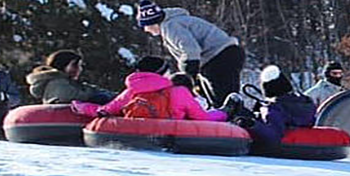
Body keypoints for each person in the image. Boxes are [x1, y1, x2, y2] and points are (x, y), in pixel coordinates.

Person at [136, 0, 245, 105]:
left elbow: (191, 50)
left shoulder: (171, 26)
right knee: (222, 100)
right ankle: (237, 118)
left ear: (153, 23)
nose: (146, 30)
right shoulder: (175, 23)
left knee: (224, 101)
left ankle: (240, 120)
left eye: (146, 26)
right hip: (223, 56)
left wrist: (187, 75)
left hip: (219, 58)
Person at [72, 56, 231, 122]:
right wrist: (224, 113)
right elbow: (202, 118)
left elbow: (104, 111)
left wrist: (82, 107)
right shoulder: (179, 91)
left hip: (135, 133)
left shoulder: (132, 91)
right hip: (175, 136)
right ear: (162, 73)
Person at [244, 65, 317, 154]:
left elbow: (273, 134)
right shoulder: (305, 103)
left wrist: (252, 125)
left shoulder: (274, 108)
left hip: (277, 147)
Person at [26, 50, 115, 105]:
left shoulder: (68, 83)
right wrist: (94, 94)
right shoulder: (57, 83)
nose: (79, 69)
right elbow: (72, 97)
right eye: (75, 65)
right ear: (62, 66)